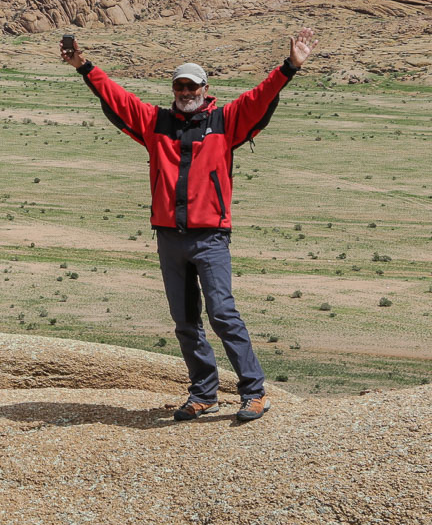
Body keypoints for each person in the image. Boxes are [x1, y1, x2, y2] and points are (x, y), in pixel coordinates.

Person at [62, 28, 318, 423]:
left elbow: (260, 97)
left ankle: (253, 392)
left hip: (210, 238)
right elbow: (117, 98)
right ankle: (204, 393)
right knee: (185, 322)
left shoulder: (225, 121)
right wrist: (84, 67)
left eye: (192, 85)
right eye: (180, 86)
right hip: (169, 238)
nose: (185, 91)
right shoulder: (155, 123)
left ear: (204, 87)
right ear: (174, 89)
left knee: (222, 314)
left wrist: (290, 67)